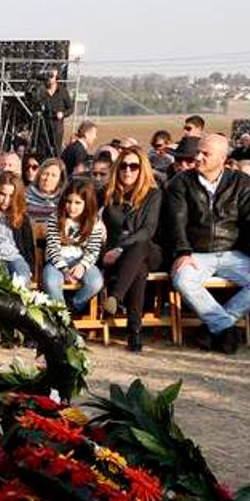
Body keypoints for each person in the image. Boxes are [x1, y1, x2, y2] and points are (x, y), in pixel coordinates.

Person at [166, 133, 250, 353]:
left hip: (232, 253)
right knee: (183, 280)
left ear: (223, 158)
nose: (198, 157)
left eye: (205, 154)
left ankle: (213, 327)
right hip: (195, 253)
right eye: (198, 152)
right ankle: (226, 328)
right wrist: (182, 252)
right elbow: (175, 221)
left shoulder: (241, 182)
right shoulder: (181, 182)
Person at [97, 145, 163, 351]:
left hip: (148, 251)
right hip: (114, 257)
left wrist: (120, 249)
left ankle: (115, 297)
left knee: (140, 245)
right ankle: (134, 331)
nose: (128, 170)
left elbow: (148, 230)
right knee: (139, 271)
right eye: (124, 166)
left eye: (134, 166)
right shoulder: (106, 194)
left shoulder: (153, 195)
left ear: (142, 169)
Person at [41, 179, 105, 315]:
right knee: (50, 282)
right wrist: (64, 269)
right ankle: (60, 316)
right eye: (69, 202)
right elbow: (52, 248)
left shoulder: (94, 222)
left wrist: (82, 266)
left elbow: (93, 250)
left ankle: (71, 307)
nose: (72, 207)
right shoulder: (55, 218)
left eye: (78, 203)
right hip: (57, 261)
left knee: (96, 282)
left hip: (81, 260)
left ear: (87, 204)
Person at [0, 172, 35, 283]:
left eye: (11, 196)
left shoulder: (22, 218)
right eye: (2, 194)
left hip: (15, 256)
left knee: (22, 277)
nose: (6, 200)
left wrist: (30, 268)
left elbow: (28, 246)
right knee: (1, 278)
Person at [29, 68, 74, 158]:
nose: (49, 78)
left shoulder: (62, 91)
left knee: (56, 151)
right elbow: (33, 102)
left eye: (52, 76)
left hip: (56, 125)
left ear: (56, 77)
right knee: (42, 151)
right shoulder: (42, 90)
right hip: (43, 124)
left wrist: (63, 114)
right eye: (48, 75)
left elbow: (71, 108)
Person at [25, 157, 64, 225]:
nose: (48, 178)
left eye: (53, 175)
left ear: (60, 180)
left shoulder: (64, 199)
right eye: (45, 174)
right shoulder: (25, 195)